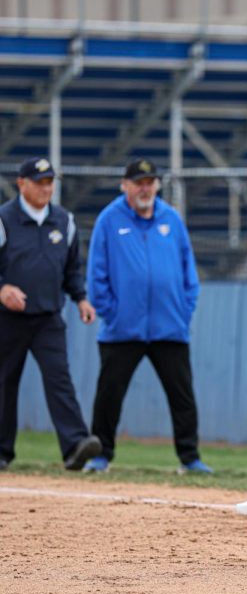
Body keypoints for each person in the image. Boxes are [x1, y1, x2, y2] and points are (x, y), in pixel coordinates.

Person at [84, 158, 212, 474]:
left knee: (182, 397)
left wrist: (182, 312)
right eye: (138, 183)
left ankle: (190, 459)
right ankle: (100, 456)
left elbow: (189, 272)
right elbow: (96, 274)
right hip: (122, 329)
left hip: (169, 327)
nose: (145, 188)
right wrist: (113, 314)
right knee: (109, 395)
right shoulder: (109, 220)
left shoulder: (171, 219)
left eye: (150, 182)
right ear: (124, 185)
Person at [0, 157, 101, 471]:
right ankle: (1, 451)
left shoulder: (64, 221)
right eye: (39, 182)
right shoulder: (3, 219)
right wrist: (2, 289)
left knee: (59, 379)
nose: (46, 189)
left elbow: (71, 270)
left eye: (49, 183)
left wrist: (81, 299)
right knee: (4, 383)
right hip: (8, 318)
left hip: (48, 317)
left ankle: (75, 446)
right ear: (21, 184)